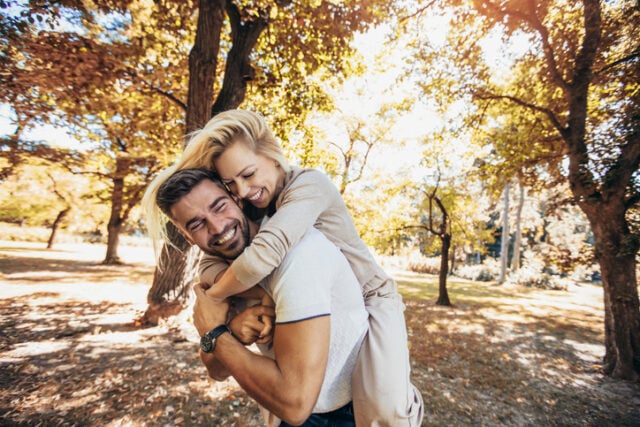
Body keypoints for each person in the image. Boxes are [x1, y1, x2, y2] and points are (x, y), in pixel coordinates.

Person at [143, 109, 424, 426]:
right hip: (294, 409)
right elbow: (209, 279)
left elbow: (266, 255)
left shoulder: (306, 192)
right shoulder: (245, 223)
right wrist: (225, 330)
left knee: (387, 405)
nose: (244, 190)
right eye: (232, 184)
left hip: (375, 295)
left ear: (273, 156)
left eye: (247, 176)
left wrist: (213, 302)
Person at [153, 168, 368, 426]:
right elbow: (215, 369)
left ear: (237, 198)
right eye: (197, 224)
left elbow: (295, 403)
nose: (218, 227)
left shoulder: (297, 255)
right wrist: (228, 331)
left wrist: (215, 335)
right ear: (187, 236)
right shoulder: (221, 273)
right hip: (285, 409)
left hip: (347, 413)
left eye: (219, 206)